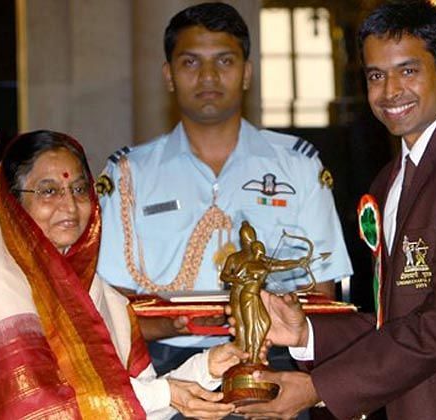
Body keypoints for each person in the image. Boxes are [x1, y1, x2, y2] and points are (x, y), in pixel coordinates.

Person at [235, 2, 436, 419]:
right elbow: (400, 318)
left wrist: (318, 388)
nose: (389, 91)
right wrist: (306, 332)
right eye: (375, 76)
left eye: (408, 71)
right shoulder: (390, 180)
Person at [97, 1, 353, 375]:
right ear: (168, 75)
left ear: (247, 73)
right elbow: (110, 300)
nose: (208, 77)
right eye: (190, 62)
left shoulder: (297, 165)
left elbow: (322, 291)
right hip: (163, 365)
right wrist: (173, 326)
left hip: (273, 358)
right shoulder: (128, 175)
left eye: (224, 61)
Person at [0, 130, 247, 419]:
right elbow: (42, 407)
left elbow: (130, 403)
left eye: (79, 189)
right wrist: (169, 393)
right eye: (49, 191)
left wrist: (206, 368)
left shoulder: (95, 292)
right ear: (13, 202)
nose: (70, 205)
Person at [221, 221, 309, 364]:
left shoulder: (259, 257)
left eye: (251, 238)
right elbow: (224, 275)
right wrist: (235, 278)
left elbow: (279, 265)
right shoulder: (235, 258)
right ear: (242, 240)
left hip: (251, 294)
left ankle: (251, 357)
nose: (249, 241)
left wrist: (298, 263)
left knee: (258, 324)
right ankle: (246, 358)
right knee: (241, 326)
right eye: (247, 238)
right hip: (239, 295)